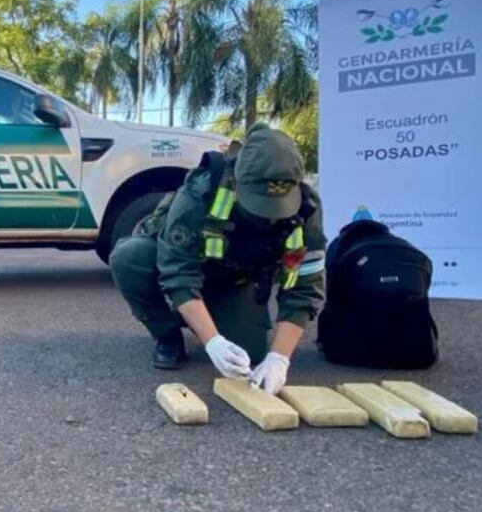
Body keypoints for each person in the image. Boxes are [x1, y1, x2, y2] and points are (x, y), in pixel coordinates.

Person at [109, 122, 327, 395]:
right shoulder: (201, 192)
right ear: (237, 180)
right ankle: (167, 333)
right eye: (259, 202)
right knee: (129, 257)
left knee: (250, 354)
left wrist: (279, 359)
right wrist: (213, 342)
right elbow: (178, 272)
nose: (269, 215)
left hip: (235, 281)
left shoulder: (306, 208)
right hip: (190, 270)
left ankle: (211, 318)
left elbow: (305, 287)